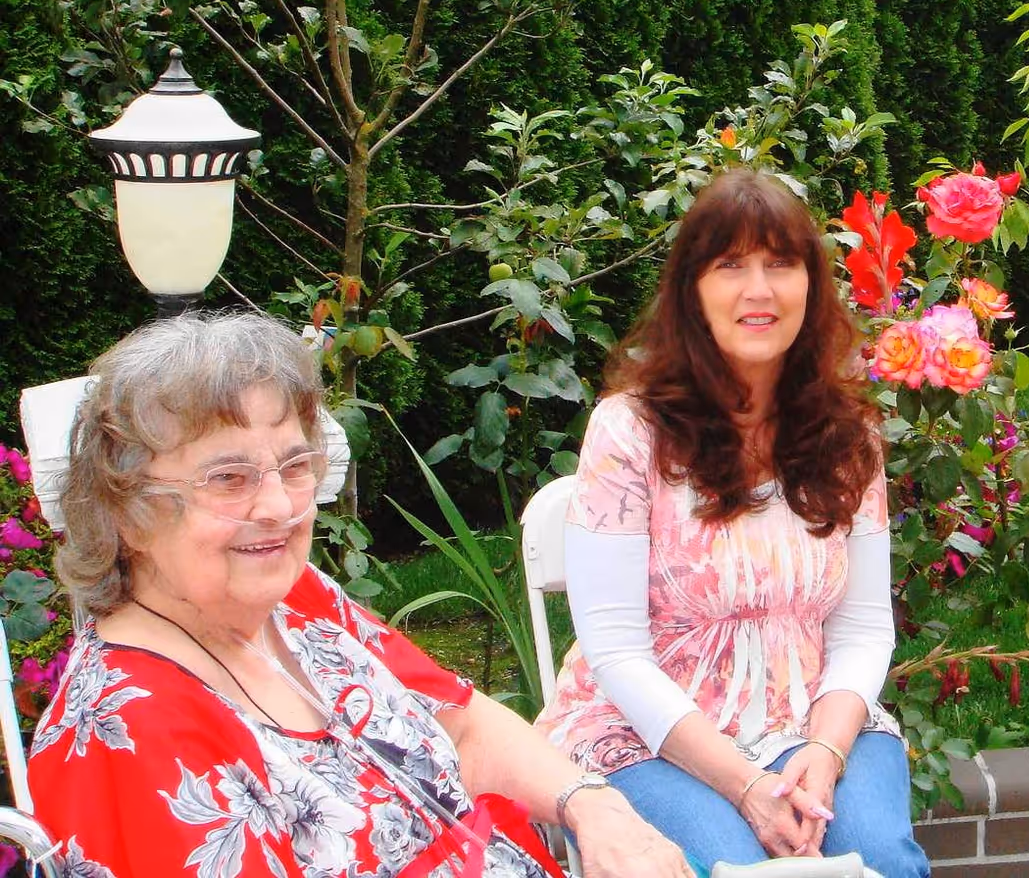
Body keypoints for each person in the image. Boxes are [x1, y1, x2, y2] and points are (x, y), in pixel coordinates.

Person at [30, 312, 694, 878]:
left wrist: (593, 805)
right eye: (228, 478)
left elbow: (462, 725)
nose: (279, 506)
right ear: (129, 513)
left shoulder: (298, 603)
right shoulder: (125, 735)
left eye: (295, 466)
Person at [533, 169, 930, 877]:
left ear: (811, 284)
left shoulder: (850, 435)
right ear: (693, 289)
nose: (760, 290)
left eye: (781, 263)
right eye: (731, 266)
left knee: (882, 862)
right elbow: (617, 650)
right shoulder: (630, 433)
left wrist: (825, 749)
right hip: (647, 735)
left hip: (812, 720)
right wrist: (746, 785)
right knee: (733, 868)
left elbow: (865, 627)